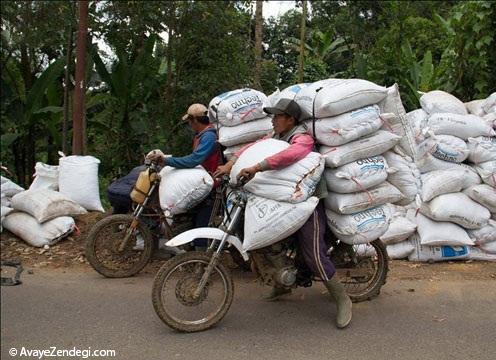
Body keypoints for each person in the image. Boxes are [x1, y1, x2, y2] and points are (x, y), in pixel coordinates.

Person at [213, 98, 352, 329]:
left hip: (308, 201)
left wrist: (257, 167)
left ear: (291, 119)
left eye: (277, 116)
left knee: (313, 252)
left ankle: (342, 299)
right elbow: (251, 148)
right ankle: (282, 282)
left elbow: (292, 155)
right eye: (273, 116)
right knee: (265, 235)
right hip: (283, 199)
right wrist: (230, 165)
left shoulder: (302, 137)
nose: (273, 120)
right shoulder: (275, 136)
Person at [147, 103, 221, 249]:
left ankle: (201, 256)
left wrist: (167, 160)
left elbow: (194, 160)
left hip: (211, 184)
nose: (189, 124)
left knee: (202, 221)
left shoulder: (209, 137)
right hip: (201, 181)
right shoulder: (201, 135)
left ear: (194, 120)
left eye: (189, 121)